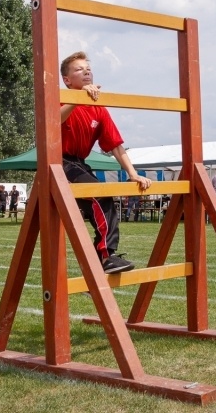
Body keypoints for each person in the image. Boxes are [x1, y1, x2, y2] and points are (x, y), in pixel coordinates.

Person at [60, 51, 152, 274]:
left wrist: (133, 173)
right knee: (100, 196)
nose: (86, 72)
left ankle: (98, 263)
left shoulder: (98, 108)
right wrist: (78, 97)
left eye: (88, 68)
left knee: (104, 197)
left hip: (79, 163)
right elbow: (53, 120)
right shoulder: (60, 97)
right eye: (79, 69)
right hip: (58, 161)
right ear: (67, 80)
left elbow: (116, 146)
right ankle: (105, 256)